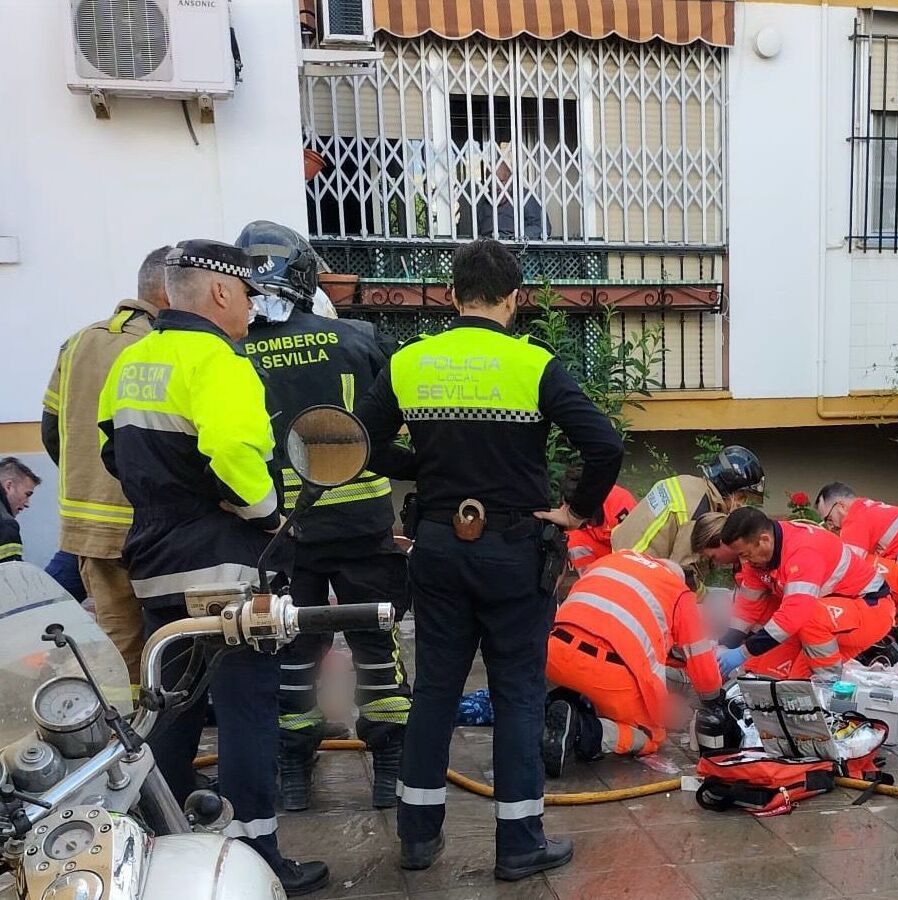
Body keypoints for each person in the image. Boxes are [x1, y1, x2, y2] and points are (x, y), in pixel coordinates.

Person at [354, 238, 622, 879]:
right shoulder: (532, 365)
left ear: (451, 295)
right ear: (515, 298)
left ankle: (418, 840)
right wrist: (578, 512)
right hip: (513, 551)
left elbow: (358, 443)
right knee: (520, 695)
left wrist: (419, 465)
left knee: (436, 693)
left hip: (439, 546)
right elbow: (603, 444)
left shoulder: (411, 362)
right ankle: (519, 844)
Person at [96, 239, 329, 895]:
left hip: (155, 561)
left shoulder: (133, 361)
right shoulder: (220, 362)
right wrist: (267, 516)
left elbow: (111, 451)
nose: (254, 306)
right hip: (226, 567)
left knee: (171, 709)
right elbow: (231, 452)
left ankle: (166, 849)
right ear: (221, 292)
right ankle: (257, 854)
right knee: (248, 711)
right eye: (251, 293)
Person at [234, 220, 414, 813]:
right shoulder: (358, 339)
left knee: (289, 650)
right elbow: (395, 429)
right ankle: (390, 766)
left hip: (280, 531)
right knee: (375, 643)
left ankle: (292, 770)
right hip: (363, 524)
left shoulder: (233, 351)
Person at [40, 246, 170, 686]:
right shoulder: (163, 346)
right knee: (173, 635)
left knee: (118, 644)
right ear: (170, 293)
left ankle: (125, 737)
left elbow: (51, 430)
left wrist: (86, 480)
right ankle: (165, 728)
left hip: (89, 524)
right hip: (154, 523)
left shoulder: (77, 342)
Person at [541, 550, 723, 774]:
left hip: (553, 653)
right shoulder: (678, 592)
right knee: (651, 736)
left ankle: (547, 715)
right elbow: (700, 658)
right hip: (608, 671)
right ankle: (582, 731)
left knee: (584, 691)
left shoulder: (610, 560)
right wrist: (713, 699)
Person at [711, 507, 895, 680]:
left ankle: (829, 688)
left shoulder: (803, 551)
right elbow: (748, 607)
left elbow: (795, 615)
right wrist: (726, 644)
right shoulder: (759, 557)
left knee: (807, 620)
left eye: (746, 554)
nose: (744, 561)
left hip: (870, 610)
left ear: (765, 540)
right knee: (784, 684)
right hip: (832, 620)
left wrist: (742, 652)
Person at [610, 445, 763, 568]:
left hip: (617, 553)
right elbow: (682, 571)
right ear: (728, 488)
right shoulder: (699, 512)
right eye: (741, 497)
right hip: (635, 568)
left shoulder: (686, 482)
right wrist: (706, 596)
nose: (741, 505)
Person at [813, 483, 898, 620]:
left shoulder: (855, 519)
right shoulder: (870, 509)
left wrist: (812, 592)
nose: (830, 526)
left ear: (841, 506)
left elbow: (844, 566)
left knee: (861, 565)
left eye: (829, 518)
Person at [561, 467, 637, 575]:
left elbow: (635, 550)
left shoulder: (621, 505)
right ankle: (591, 581)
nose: (569, 513)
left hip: (627, 555)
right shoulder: (569, 506)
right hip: (600, 552)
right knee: (572, 540)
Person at [471, 161, 548, 241]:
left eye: (501, 181)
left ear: (510, 180)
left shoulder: (524, 197)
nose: (496, 187)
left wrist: (516, 237)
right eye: (492, 182)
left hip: (517, 248)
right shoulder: (482, 202)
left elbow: (544, 227)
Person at [0, 457, 40, 564]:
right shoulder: (6, 525)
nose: (27, 504)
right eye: (27, 494)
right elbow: (10, 576)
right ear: (9, 486)